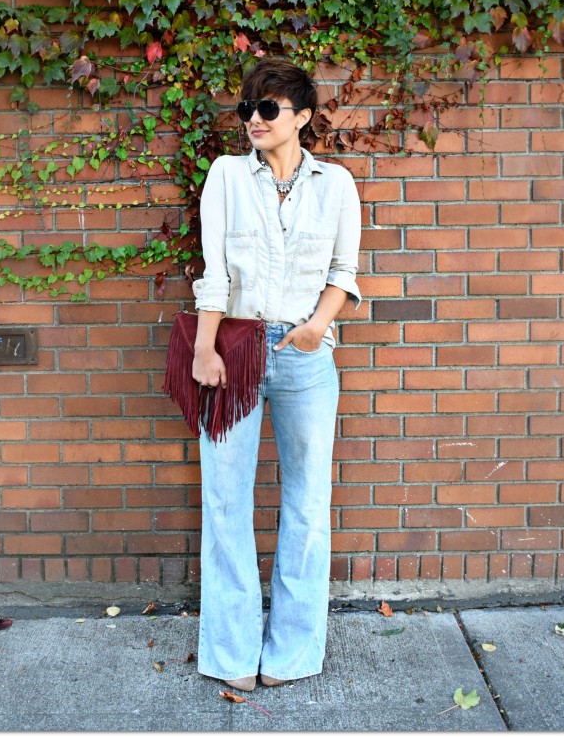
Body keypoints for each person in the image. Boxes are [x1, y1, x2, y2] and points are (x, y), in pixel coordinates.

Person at [190, 58, 362, 692]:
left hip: (307, 357)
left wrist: (317, 326)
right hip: (233, 352)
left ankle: (291, 654)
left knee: (308, 507)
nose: (253, 121)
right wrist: (204, 349)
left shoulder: (336, 185)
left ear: (303, 117)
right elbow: (215, 272)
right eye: (247, 110)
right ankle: (233, 652)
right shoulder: (227, 176)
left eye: (268, 109)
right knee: (226, 502)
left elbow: (344, 271)